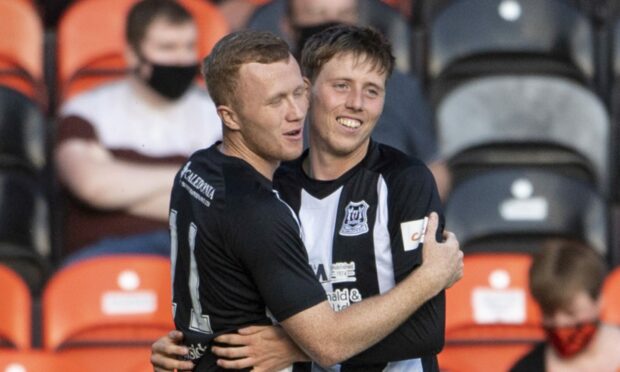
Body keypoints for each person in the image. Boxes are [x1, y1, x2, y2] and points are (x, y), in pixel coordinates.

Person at [154, 26, 463, 371]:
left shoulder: (405, 180)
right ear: (308, 89)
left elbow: (427, 331)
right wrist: (192, 350)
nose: (357, 104)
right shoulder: (271, 187)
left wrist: (295, 348)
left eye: (372, 91)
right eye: (341, 86)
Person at [55, 0, 221, 263]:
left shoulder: (217, 115)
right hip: (103, 257)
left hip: (196, 259)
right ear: (133, 54)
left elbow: (222, 205)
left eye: (189, 47)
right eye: (167, 48)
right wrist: (191, 176)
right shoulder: (86, 109)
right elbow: (93, 186)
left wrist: (117, 182)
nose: (181, 59)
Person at [247, 0, 452, 199]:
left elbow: (435, 168)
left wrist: (405, 212)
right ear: (288, 25)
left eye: (344, 15)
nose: (332, 24)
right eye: (317, 14)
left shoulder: (397, 85)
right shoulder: (266, 90)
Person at [510, 240, 620, 372]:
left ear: (599, 301)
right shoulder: (527, 367)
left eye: (571, 312)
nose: (559, 322)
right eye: (549, 312)